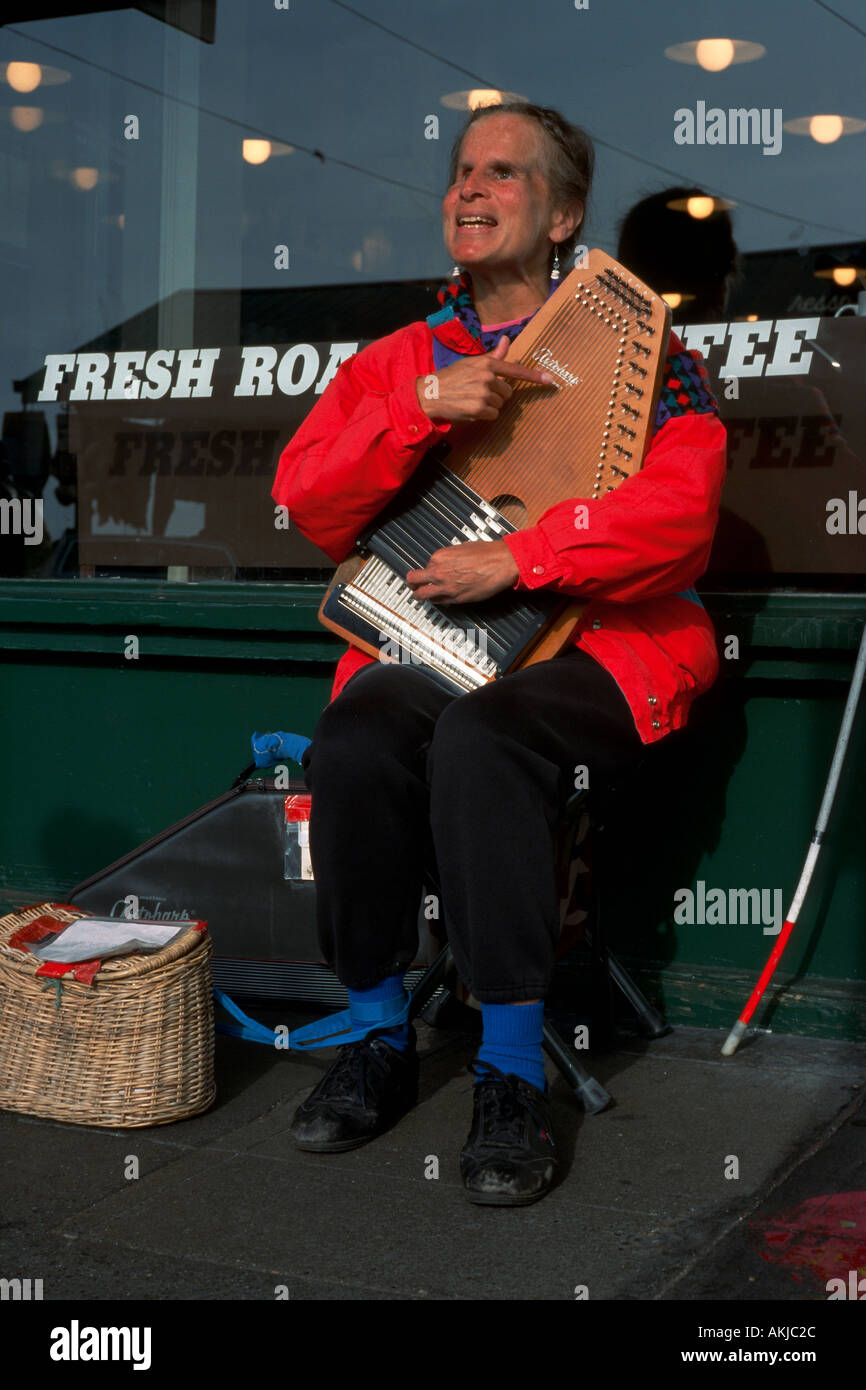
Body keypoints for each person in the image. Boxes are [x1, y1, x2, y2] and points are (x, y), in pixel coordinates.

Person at [271, 101, 726, 1206]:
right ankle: (378, 1041)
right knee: (359, 730)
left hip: (605, 653)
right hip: (434, 642)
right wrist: (422, 409)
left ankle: (510, 1074)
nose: (469, 191)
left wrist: (523, 559)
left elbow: (679, 518)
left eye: (504, 175)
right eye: (460, 172)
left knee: (483, 736)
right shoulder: (400, 363)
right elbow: (307, 502)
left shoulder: (650, 359)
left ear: (564, 214)